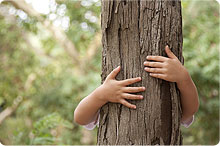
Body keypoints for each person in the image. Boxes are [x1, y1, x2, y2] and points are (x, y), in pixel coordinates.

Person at [74, 45, 199, 130]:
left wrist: (184, 78)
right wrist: (101, 95)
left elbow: (189, 111)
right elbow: (80, 118)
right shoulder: (111, 97)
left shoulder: (172, 100)